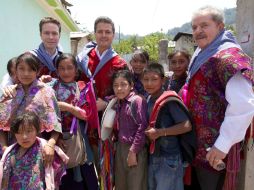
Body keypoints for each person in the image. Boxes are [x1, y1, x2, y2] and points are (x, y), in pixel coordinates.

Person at [182, 6, 254, 190]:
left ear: (220, 26)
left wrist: (222, 145)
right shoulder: (202, 52)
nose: (198, 31)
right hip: (197, 144)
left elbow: (243, 106)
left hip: (214, 150)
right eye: (195, 27)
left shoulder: (228, 57)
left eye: (204, 25)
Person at [76, 16, 127, 189]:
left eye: (108, 32)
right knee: (91, 163)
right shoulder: (83, 59)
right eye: (100, 31)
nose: (104, 35)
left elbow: (127, 91)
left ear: (113, 35)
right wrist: (87, 102)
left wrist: (106, 103)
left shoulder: (119, 63)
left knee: (109, 163)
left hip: (109, 120)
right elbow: (77, 83)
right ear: (94, 33)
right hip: (86, 119)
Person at [0, 52, 62, 167]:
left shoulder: (47, 92)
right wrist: (4, 148)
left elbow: (56, 124)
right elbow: (1, 126)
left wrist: (50, 145)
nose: (26, 73)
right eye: (21, 69)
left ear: (37, 71)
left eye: (31, 69)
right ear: (16, 71)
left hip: (41, 152)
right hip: (13, 153)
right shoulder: (9, 94)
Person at [143, 63, 192, 190]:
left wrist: (160, 132)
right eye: (146, 79)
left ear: (162, 80)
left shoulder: (168, 100)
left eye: (154, 79)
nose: (149, 83)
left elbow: (186, 126)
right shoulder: (149, 99)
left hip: (169, 158)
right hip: (154, 156)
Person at [47, 53, 92, 189]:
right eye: (61, 68)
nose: (66, 72)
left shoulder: (83, 86)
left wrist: (68, 108)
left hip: (80, 138)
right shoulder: (50, 87)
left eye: (69, 68)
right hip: (58, 138)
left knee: (85, 177)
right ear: (57, 70)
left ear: (76, 69)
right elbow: (46, 111)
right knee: (64, 180)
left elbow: (87, 114)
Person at [0, 112, 68, 190]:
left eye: (29, 131)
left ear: (37, 131)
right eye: (19, 132)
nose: (24, 137)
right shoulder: (8, 153)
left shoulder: (46, 150)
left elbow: (57, 171)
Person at [112, 70, 148, 190]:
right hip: (121, 148)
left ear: (131, 85)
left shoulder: (137, 101)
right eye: (115, 85)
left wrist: (133, 152)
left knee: (135, 185)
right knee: (121, 185)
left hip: (134, 149)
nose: (119, 88)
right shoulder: (119, 102)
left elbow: (142, 127)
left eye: (123, 84)